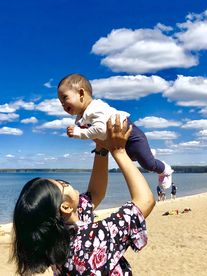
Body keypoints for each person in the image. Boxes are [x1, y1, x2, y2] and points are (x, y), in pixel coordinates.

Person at [11, 116, 155, 275]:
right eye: (62, 183)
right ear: (65, 207)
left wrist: (101, 148)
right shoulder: (91, 241)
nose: (67, 183)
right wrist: (119, 151)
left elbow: (95, 193)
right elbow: (145, 201)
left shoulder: (57, 239)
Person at [57, 73, 173, 188]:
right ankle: (146, 153)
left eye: (65, 98)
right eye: (60, 102)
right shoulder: (83, 115)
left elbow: (100, 130)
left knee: (148, 165)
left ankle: (165, 170)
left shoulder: (95, 109)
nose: (63, 104)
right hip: (121, 140)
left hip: (132, 137)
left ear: (81, 93)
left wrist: (79, 133)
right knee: (132, 157)